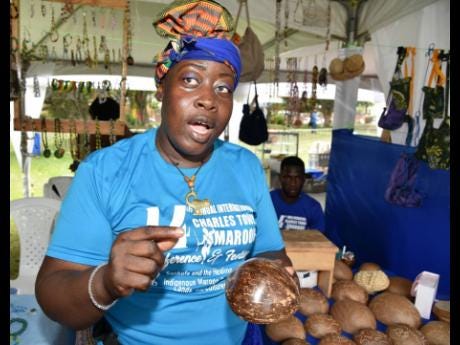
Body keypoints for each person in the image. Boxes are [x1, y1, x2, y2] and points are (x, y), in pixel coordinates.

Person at [35, 1, 295, 345]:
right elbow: (52, 293)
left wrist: (274, 272)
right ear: (161, 88)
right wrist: (107, 282)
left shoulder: (245, 166)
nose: (208, 99)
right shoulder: (105, 171)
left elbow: (270, 252)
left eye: (223, 88)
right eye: (190, 80)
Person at [270, 156, 325, 232]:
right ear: (281, 178)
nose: (293, 183)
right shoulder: (267, 202)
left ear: (303, 179)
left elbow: (318, 240)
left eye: (297, 178)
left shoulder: (313, 208)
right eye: (288, 177)